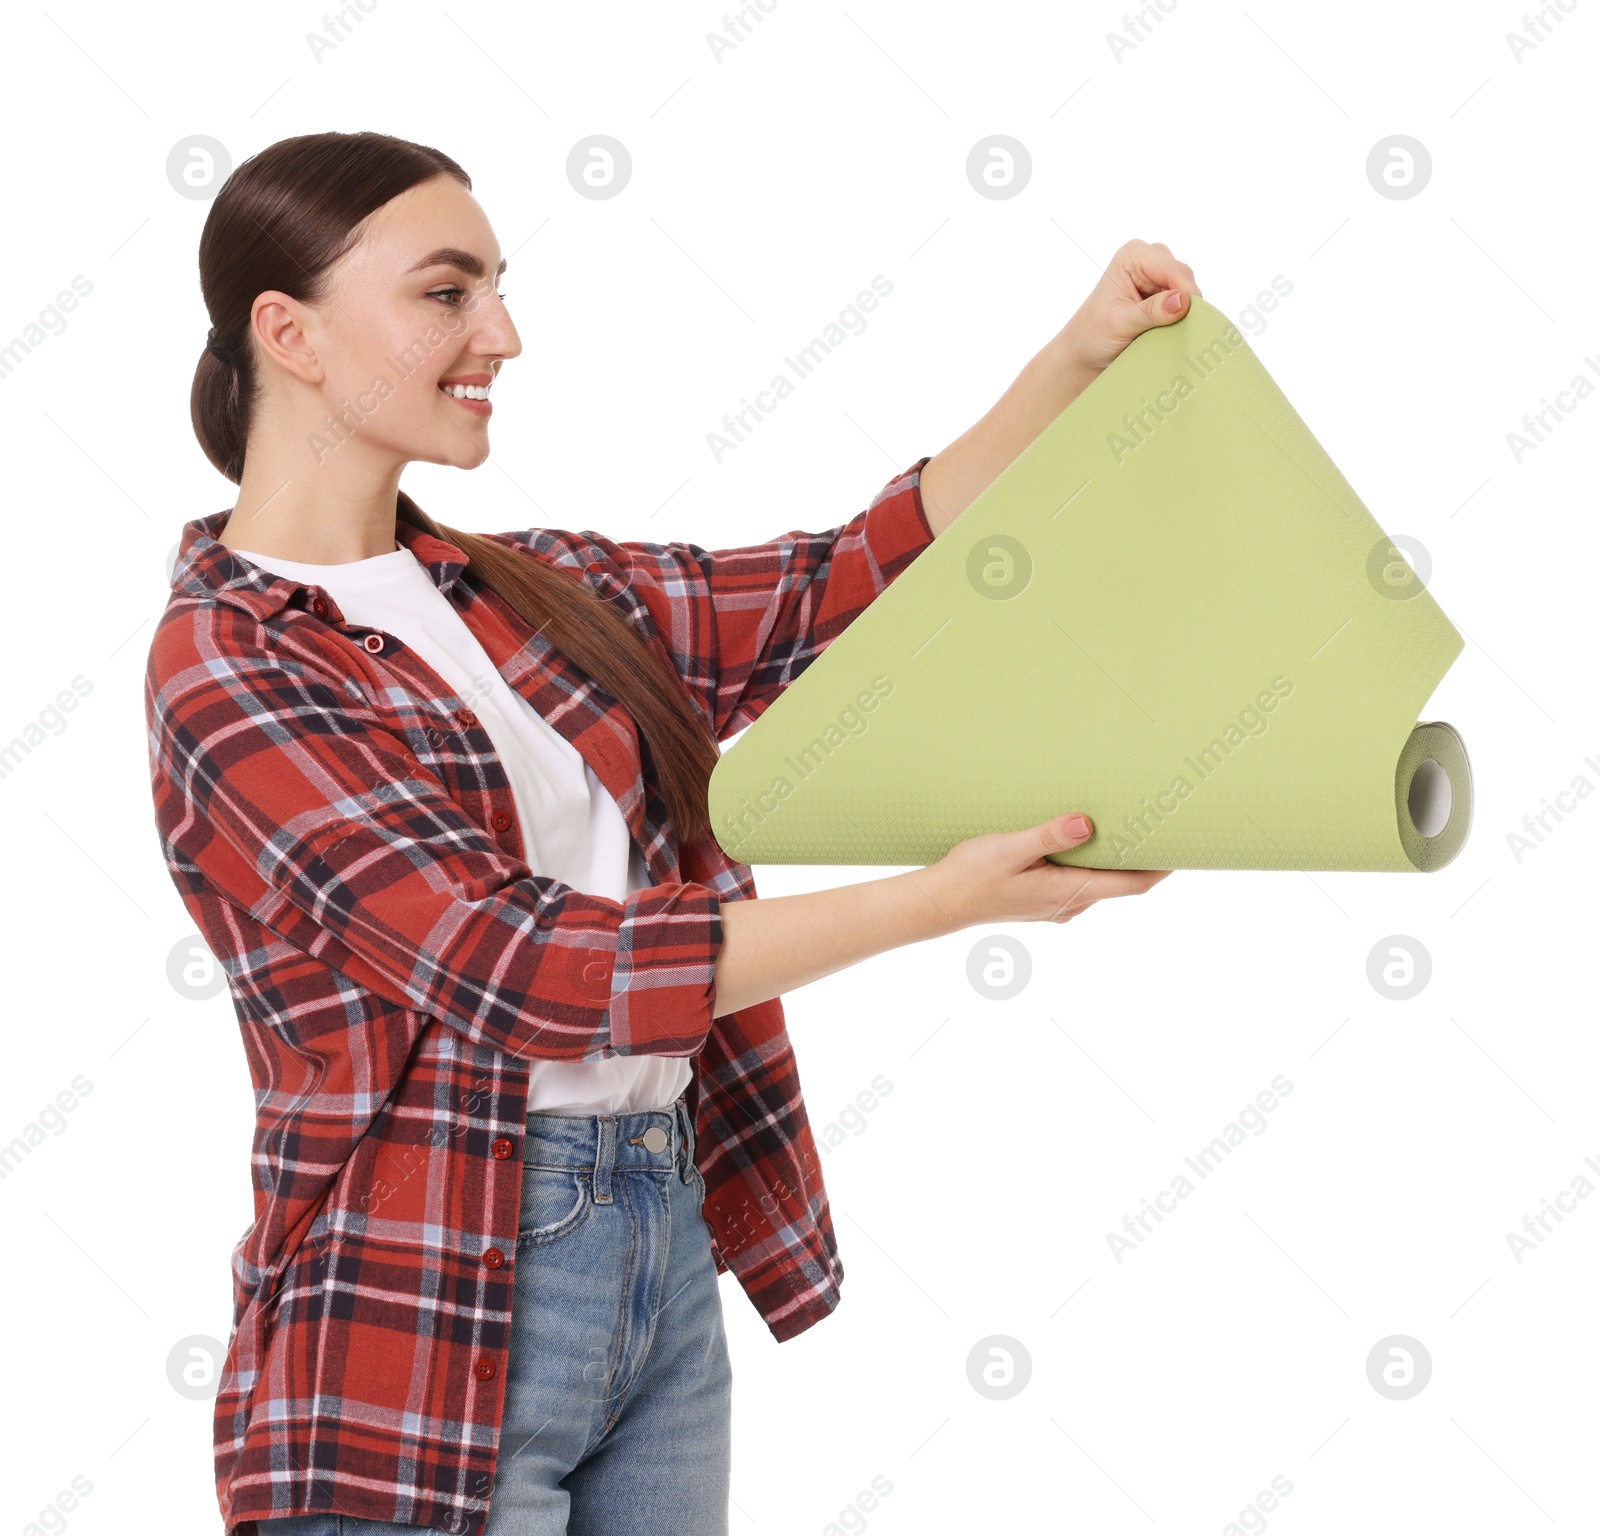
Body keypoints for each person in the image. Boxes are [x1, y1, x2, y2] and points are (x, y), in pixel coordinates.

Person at [144, 129, 1189, 1536]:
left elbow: (834, 586)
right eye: (447, 293)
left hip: (658, 1237)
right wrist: (941, 901)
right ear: (291, 333)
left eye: (499, 288)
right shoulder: (227, 665)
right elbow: (532, 971)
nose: (503, 334)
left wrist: (1077, 358)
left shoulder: (531, 593)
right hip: (419, 1300)